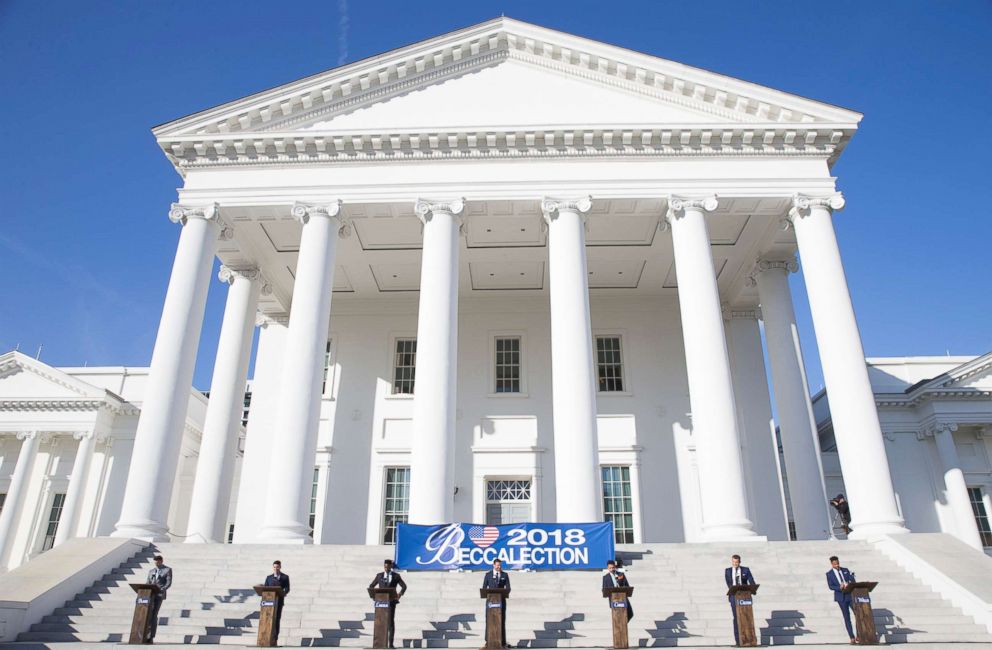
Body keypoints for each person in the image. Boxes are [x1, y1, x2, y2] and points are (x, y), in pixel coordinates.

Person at [368, 559, 407, 648]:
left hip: (391, 602)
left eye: (388, 566)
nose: (386, 568)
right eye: (385, 566)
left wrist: (400, 594)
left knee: (390, 623)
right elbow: (371, 586)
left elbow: (404, 586)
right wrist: (374, 596)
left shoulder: (396, 576)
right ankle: (379, 643)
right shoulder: (379, 576)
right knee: (380, 623)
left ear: (391, 567)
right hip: (380, 602)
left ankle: (391, 644)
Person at [724, 554, 755, 646]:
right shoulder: (728, 571)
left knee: (747, 616)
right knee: (736, 617)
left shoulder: (746, 570)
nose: (735, 564)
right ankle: (738, 640)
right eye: (733, 562)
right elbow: (729, 583)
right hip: (734, 596)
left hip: (745, 596)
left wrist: (753, 589)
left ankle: (749, 639)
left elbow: (751, 581)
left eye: (736, 562)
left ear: (739, 562)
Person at [826, 556, 857, 643]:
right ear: (832, 564)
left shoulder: (845, 570)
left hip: (850, 595)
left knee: (857, 614)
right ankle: (852, 637)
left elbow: (852, 579)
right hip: (841, 597)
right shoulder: (829, 574)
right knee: (846, 617)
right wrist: (839, 587)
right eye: (835, 564)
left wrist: (849, 583)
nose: (837, 565)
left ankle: (859, 634)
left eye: (838, 563)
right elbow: (831, 586)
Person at [481, 558, 511, 648]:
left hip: (501, 601)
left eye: (500, 565)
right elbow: (484, 588)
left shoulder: (505, 575)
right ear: (493, 565)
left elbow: (508, 588)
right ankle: (488, 642)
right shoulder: (488, 575)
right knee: (488, 621)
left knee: (502, 621)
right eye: (497, 565)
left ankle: (502, 642)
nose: (499, 567)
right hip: (490, 602)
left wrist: (504, 591)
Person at [146, 554, 172, 643]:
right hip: (150, 595)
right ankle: (145, 634)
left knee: (153, 615)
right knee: (148, 614)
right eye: (155, 560)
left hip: (159, 595)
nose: (156, 562)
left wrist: (162, 589)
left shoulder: (167, 570)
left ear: (161, 561)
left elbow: (168, 582)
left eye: (158, 560)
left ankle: (151, 636)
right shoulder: (151, 571)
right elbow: (147, 582)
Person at [264, 560, 291, 644]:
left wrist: (283, 592)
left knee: (276, 620)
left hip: (279, 601)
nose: (275, 569)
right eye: (274, 567)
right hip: (268, 603)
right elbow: (265, 588)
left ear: (280, 567)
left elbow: (287, 588)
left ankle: (275, 639)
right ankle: (266, 638)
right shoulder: (269, 577)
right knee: (268, 619)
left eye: (277, 567)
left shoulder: (285, 577)